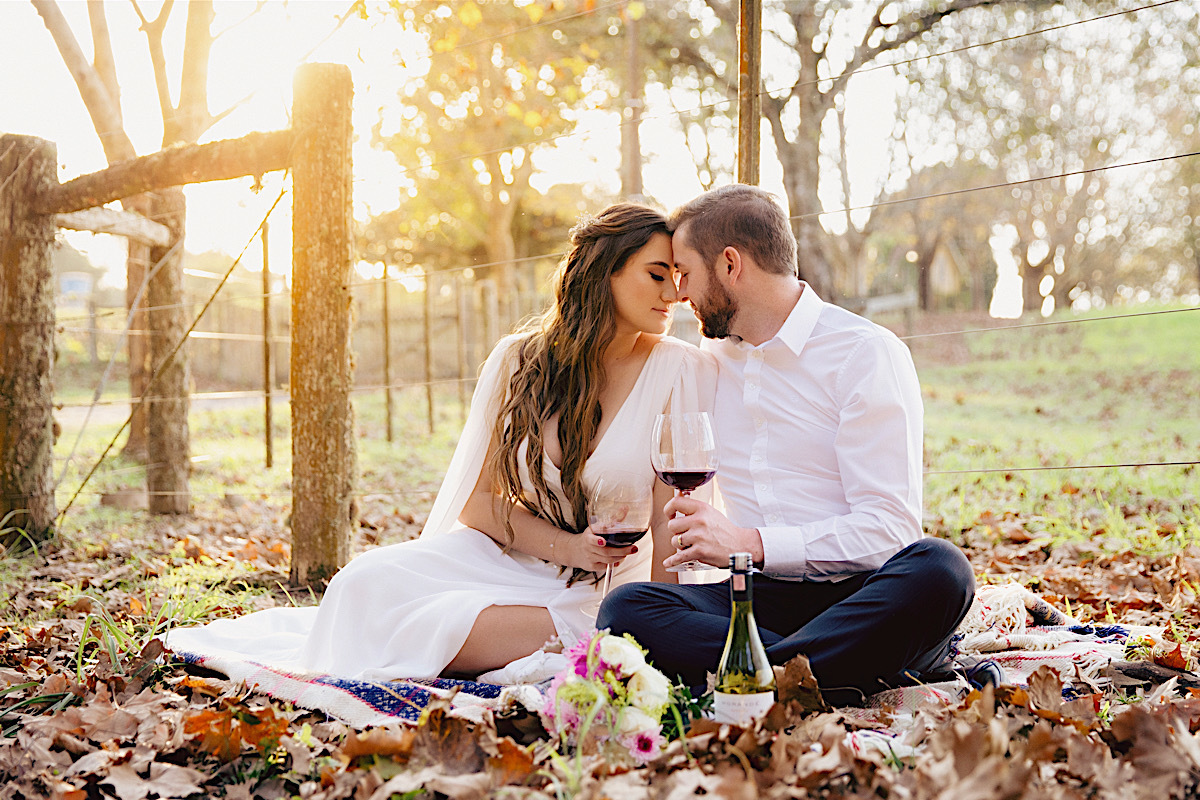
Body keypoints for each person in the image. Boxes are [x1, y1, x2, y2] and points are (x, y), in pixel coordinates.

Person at [165, 204, 714, 683]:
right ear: (603, 273)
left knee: (436, 626)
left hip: (608, 589)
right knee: (360, 585)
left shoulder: (677, 368)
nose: (675, 295)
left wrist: (654, 619)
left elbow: (673, 520)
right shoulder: (518, 361)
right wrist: (569, 547)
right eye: (657, 275)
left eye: (678, 278)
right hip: (509, 557)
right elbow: (478, 503)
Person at [597, 185, 976, 704]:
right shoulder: (708, 359)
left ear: (730, 265)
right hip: (755, 598)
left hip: (862, 592)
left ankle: (757, 672)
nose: (679, 293)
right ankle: (827, 673)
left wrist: (751, 543)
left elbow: (888, 530)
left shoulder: (863, 354)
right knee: (627, 610)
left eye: (684, 272)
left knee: (941, 569)